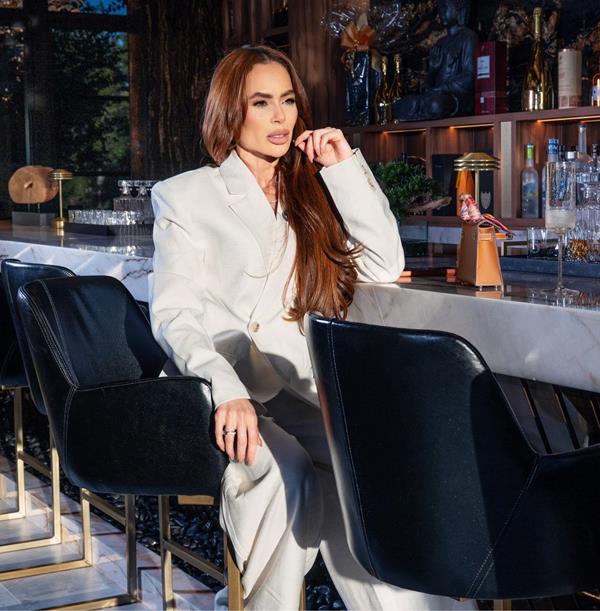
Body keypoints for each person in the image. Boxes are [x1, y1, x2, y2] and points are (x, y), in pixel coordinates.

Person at [149, 45, 474, 610]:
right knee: (291, 474)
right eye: (261, 102)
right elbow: (174, 314)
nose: (280, 117)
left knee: (371, 472)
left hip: (299, 385)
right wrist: (226, 390)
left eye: (288, 101)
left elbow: (382, 263)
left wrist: (342, 167)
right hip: (218, 386)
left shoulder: (311, 188)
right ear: (230, 111)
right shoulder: (185, 195)